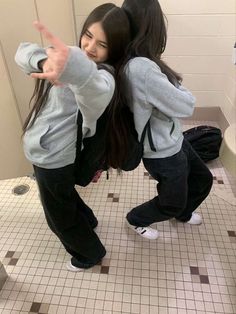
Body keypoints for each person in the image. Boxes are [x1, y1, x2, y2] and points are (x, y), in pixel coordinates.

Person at [15, 3, 130, 270]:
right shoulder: (68, 55)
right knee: (62, 196)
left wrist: (76, 70)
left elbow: (93, 91)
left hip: (55, 156)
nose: (90, 47)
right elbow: (22, 51)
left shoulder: (104, 77)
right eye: (88, 35)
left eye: (102, 44)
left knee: (57, 214)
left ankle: (89, 253)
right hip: (46, 149)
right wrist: (45, 60)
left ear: (115, 49)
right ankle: (88, 221)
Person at [120, 0, 213, 239]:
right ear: (152, 26)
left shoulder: (139, 60)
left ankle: (182, 212)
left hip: (171, 139)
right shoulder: (142, 68)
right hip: (161, 152)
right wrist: (179, 89)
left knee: (202, 179)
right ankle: (136, 219)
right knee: (171, 201)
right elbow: (186, 105)